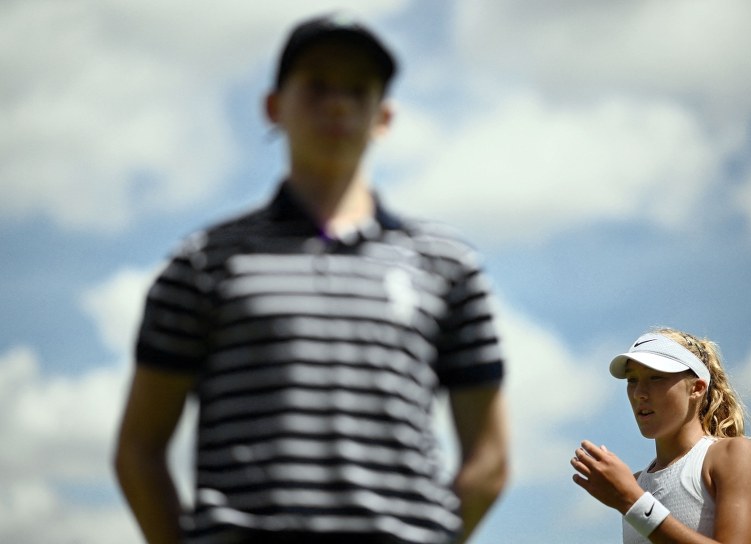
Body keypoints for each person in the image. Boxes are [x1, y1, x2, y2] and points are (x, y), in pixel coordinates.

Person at [113, 12, 509, 544]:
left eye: (358, 89)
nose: (338, 103)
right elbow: (139, 449)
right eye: (317, 85)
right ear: (273, 107)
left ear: (384, 116)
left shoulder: (448, 265)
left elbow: (490, 458)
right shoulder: (204, 261)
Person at [571, 328, 751, 543]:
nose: (639, 393)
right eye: (632, 380)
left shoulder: (735, 455)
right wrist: (631, 498)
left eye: (656, 377)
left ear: (697, 388)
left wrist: (632, 501)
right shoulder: (635, 483)